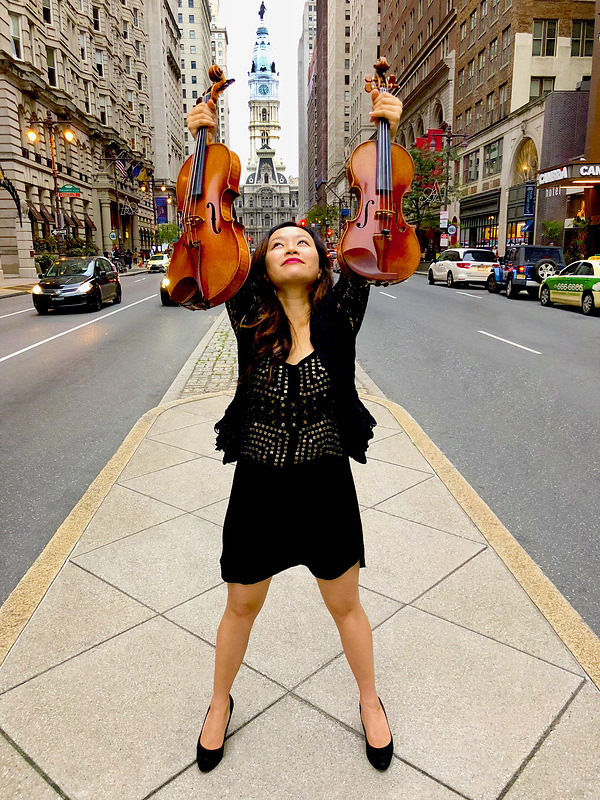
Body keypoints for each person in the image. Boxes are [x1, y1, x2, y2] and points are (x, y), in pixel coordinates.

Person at [186, 86, 403, 774]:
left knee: (346, 605)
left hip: (325, 487)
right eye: (276, 242)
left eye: (299, 241)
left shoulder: (344, 314)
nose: (287, 245)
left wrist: (383, 130)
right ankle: (219, 702)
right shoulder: (248, 315)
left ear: (319, 261)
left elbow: (380, 224)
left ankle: (370, 700)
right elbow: (212, 239)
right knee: (241, 605)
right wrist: (203, 138)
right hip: (257, 487)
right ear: (263, 261)